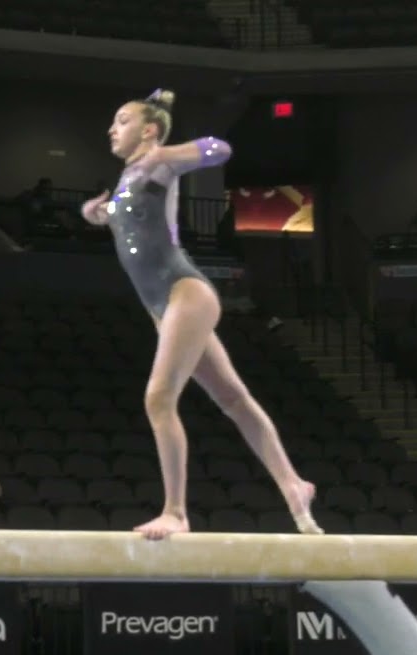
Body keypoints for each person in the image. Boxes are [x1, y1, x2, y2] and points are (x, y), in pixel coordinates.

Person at [80, 88, 320, 539]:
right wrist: (94, 212)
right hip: (162, 307)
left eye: (122, 119)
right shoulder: (131, 177)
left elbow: (220, 149)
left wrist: (165, 151)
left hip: (182, 292)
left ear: (148, 130)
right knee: (232, 399)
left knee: (158, 397)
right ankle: (292, 484)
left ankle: (175, 512)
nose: (112, 128)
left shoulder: (160, 163)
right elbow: (118, 218)